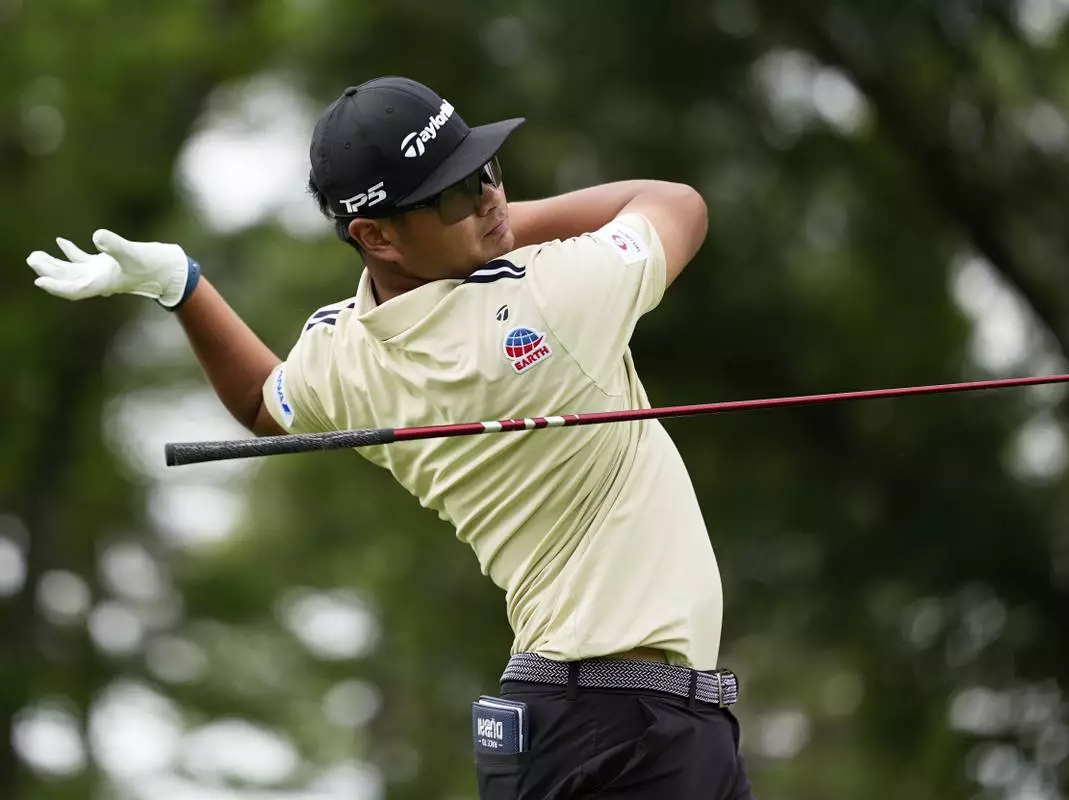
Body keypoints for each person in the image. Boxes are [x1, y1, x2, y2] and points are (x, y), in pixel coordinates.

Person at [26, 76, 755, 800]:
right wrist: (502, 234)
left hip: (605, 718)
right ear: (375, 235)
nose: (492, 198)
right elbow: (676, 204)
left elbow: (260, 400)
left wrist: (183, 288)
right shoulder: (552, 295)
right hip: (626, 725)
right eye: (457, 194)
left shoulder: (343, 357)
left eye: (487, 172)